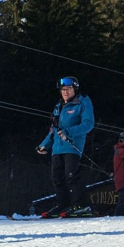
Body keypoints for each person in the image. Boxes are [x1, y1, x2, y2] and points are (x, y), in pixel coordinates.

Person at [36, 76, 96, 218]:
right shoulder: (59, 106)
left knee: (71, 175)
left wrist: (69, 132)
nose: (65, 92)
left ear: (74, 89)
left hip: (72, 146)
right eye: (63, 90)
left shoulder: (82, 102)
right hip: (57, 148)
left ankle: (81, 205)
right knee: (56, 177)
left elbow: (88, 124)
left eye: (68, 89)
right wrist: (44, 145)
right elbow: (53, 129)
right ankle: (63, 205)